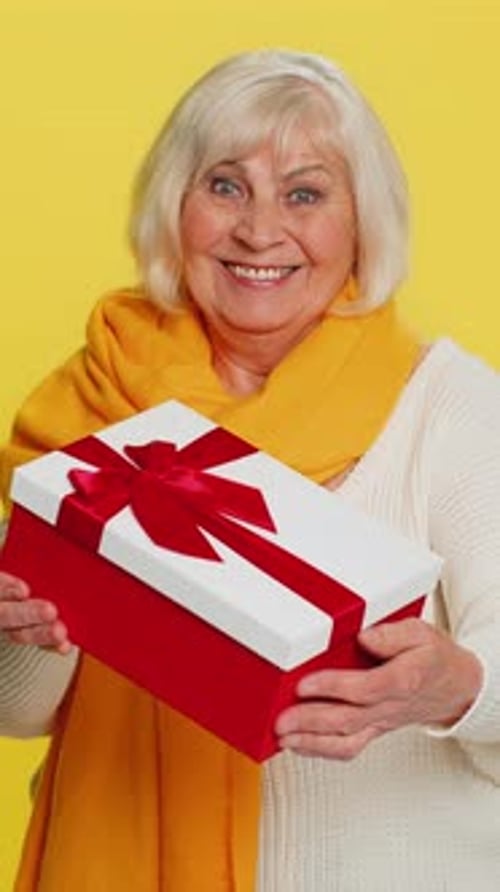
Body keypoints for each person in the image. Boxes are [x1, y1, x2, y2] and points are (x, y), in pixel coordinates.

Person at [0, 48, 499, 892]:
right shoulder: (91, 407)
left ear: (362, 222)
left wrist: (458, 688)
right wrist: (21, 632)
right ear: (174, 205)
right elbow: (16, 711)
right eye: (225, 186)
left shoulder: (449, 404)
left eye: (304, 194)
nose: (260, 231)